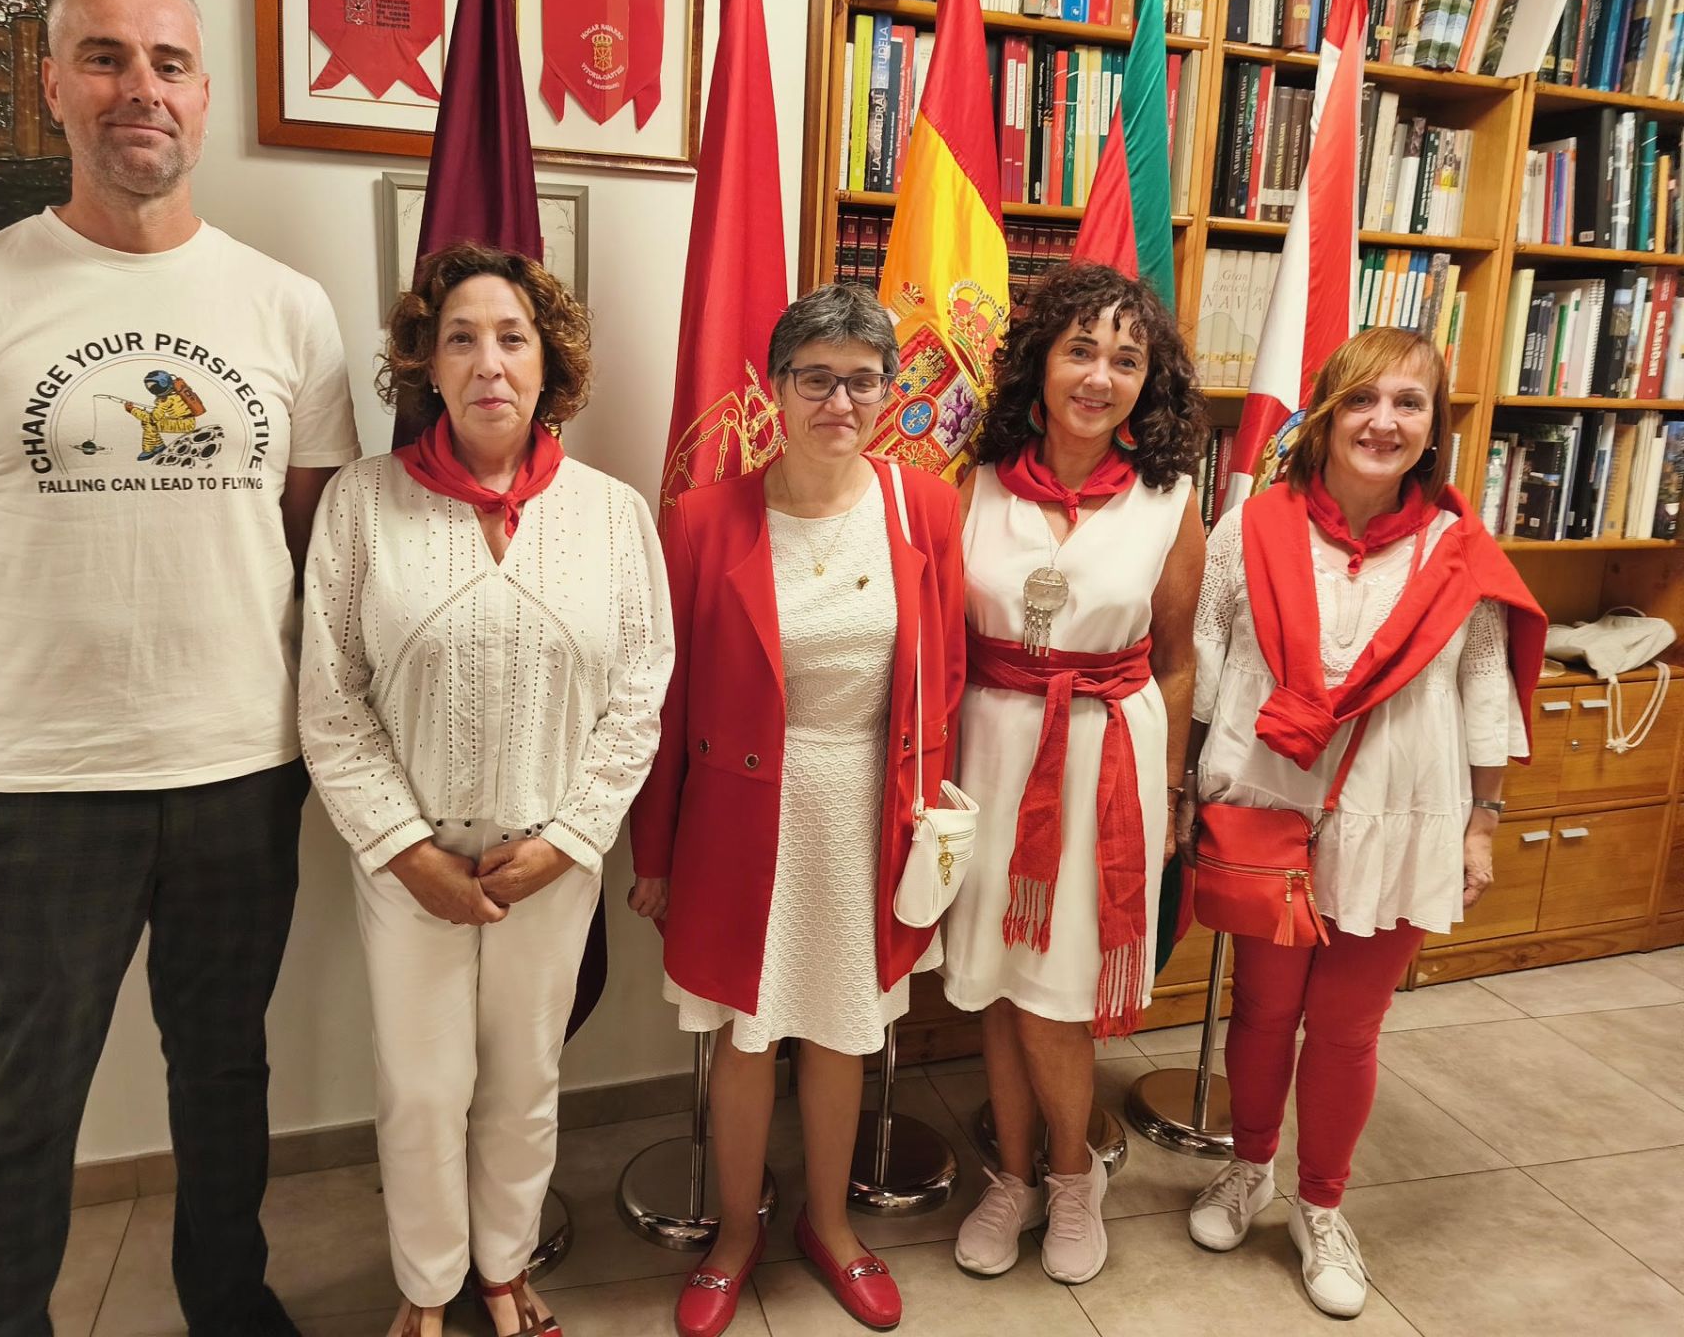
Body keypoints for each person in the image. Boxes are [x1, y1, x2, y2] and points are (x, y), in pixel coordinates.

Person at [0, 0, 358, 1337]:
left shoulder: (288, 308)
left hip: (240, 772)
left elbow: (314, 547)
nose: (141, 87)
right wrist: (23, 672)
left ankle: (229, 1304)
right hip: (37, 785)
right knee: (32, 1090)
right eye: (107, 58)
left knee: (224, 1073)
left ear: (201, 98)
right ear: (54, 90)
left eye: (170, 62)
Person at [299, 240, 674, 1337]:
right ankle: (425, 1291)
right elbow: (330, 695)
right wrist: (406, 852)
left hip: (547, 862)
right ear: (426, 360)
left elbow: (640, 690)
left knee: (522, 1081)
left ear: (549, 361)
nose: (488, 361)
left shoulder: (611, 515)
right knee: (420, 1089)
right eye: (460, 337)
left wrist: (569, 838)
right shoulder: (365, 504)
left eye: (512, 336)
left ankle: (504, 1274)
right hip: (408, 864)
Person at [1178, 325, 1544, 1318]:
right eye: (1362, 400)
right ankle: (1247, 1170)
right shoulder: (1248, 526)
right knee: (1260, 1013)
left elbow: (1482, 686)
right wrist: (1194, 782)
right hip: (1268, 806)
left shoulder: (1460, 551)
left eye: (1409, 404)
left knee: (1345, 1031)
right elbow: (1203, 658)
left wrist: (1483, 822)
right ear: (1327, 415)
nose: (1383, 421)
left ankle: (1320, 1205)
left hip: (1399, 814)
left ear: (1434, 429)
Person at [629, 282, 965, 1337]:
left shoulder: (927, 508)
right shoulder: (701, 519)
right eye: (814, 378)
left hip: (869, 809)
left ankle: (830, 1224)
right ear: (774, 391)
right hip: (738, 815)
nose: (838, 400)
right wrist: (657, 853)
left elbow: (942, 678)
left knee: (839, 1032)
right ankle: (736, 1233)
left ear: (889, 393)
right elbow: (666, 702)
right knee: (746, 1035)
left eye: (861, 380)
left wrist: (935, 829)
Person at [943, 262, 1207, 1285]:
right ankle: (1009, 1175)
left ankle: (1072, 1173)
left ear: (1149, 381)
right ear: (1042, 364)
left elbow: (1179, 661)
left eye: (1127, 359)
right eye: (1081, 350)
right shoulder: (977, 482)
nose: (1101, 376)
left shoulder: (1167, 498)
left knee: (1055, 990)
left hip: (1107, 756)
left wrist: (1174, 791)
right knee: (1000, 986)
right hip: (992, 751)